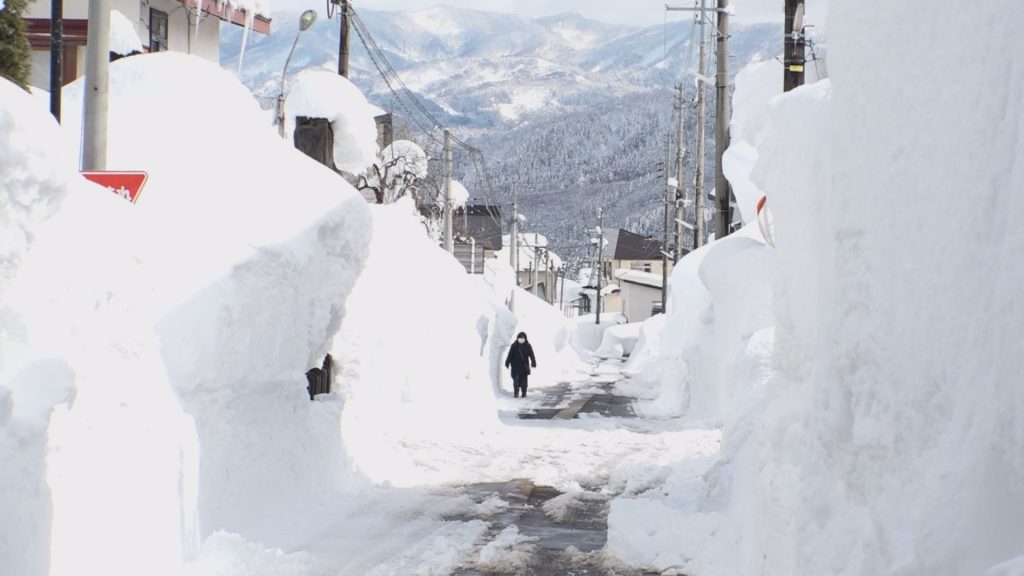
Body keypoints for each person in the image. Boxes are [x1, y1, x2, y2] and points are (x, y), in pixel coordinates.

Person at [505, 332, 537, 398]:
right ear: (517, 338)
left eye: (523, 338)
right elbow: (510, 355)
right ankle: (516, 393)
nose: (521, 339)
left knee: (524, 382)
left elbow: (531, 355)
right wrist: (507, 362)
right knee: (516, 381)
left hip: (524, 368)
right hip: (515, 367)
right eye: (520, 338)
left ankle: (524, 393)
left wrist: (533, 362)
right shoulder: (514, 346)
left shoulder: (528, 346)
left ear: (525, 338)